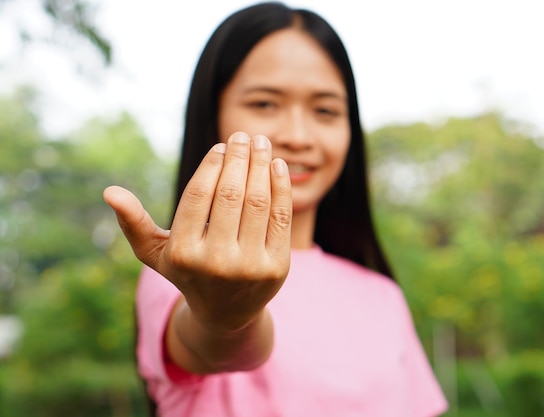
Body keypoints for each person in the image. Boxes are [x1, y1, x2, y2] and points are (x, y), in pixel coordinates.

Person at [103, 2, 448, 416]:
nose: (298, 136)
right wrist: (226, 316)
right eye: (265, 104)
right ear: (212, 116)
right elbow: (213, 343)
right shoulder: (187, 271)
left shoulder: (383, 296)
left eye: (325, 110)